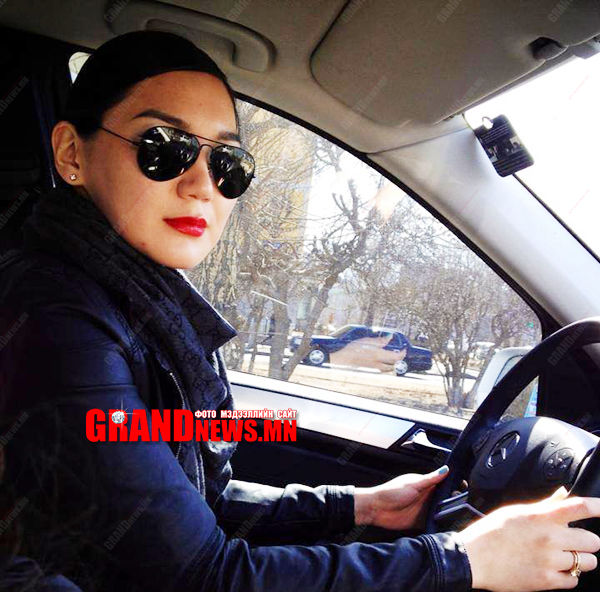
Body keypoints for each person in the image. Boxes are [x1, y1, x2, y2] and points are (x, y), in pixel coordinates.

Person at [0, 30, 599, 592]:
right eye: (165, 147)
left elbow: (188, 507)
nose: (202, 184)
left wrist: (360, 507)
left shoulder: (130, 302)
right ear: (71, 152)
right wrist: (467, 559)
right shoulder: (53, 320)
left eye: (227, 162)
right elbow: (202, 577)